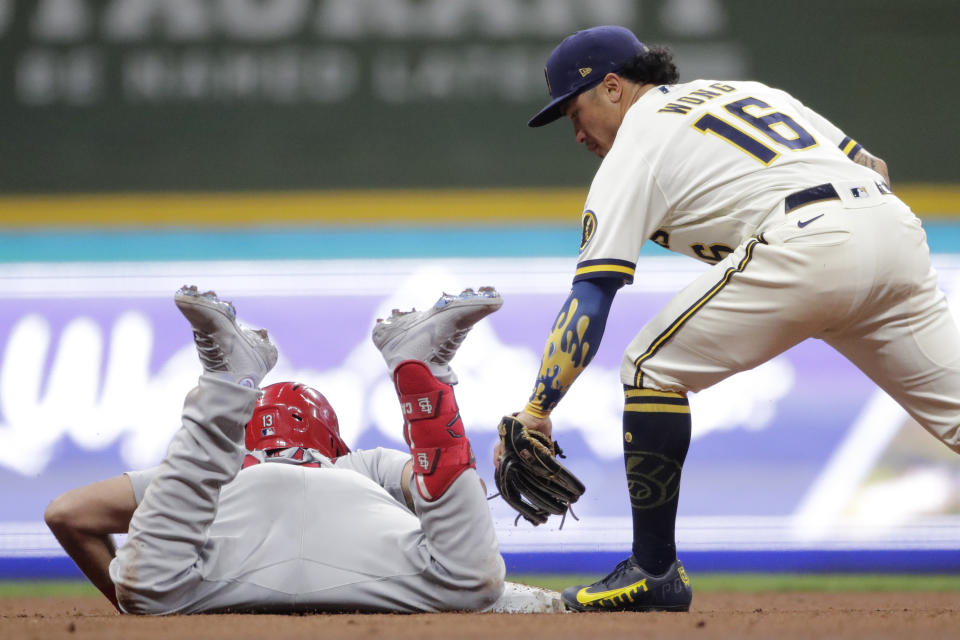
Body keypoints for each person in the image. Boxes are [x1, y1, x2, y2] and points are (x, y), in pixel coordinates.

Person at [504, 24, 959, 612]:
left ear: (613, 88)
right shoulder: (749, 91)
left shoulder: (636, 142)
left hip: (812, 243)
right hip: (893, 230)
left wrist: (539, 407)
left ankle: (653, 571)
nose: (577, 132)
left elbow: (593, 295)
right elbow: (872, 164)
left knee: (648, 368)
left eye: (575, 109)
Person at [45, 285, 564, 614]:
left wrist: (132, 600)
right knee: (472, 583)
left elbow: (67, 514)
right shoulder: (360, 464)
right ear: (330, 438)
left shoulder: (221, 472)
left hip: (231, 559)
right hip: (363, 553)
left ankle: (225, 387)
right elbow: (448, 492)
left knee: (149, 587)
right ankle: (423, 379)